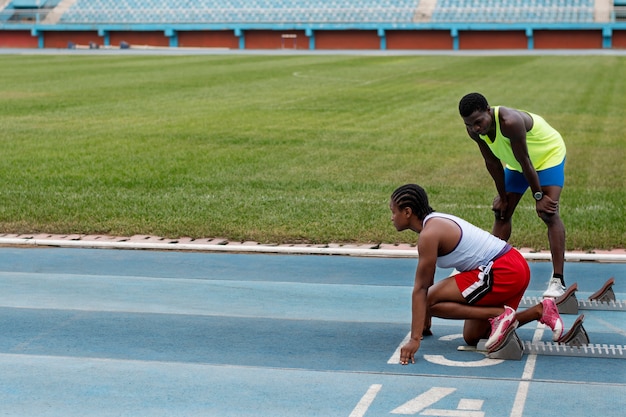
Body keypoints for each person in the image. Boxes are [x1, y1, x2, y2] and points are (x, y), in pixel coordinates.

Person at [389, 183, 563, 365]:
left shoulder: (429, 234)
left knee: (428, 300)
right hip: (514, 267)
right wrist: (424, 322)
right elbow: (427, 279)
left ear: (407, 212)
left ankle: (500, 314)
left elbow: (422, 289)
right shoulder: (434, 223)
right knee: (473, 336)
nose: (392, 218)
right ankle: (540, 311)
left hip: (504, 270)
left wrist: (414, 339)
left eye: (393, 212)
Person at [458, 92, 567, 298]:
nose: (476, 128)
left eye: (479, 122)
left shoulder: (510, 121)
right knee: (502, 211)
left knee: (548, 213)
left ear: (488, 110)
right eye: (470, 124)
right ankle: (486, 267)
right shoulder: (473, 130)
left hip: (547, 157)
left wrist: (538, 197)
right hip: (518, 164)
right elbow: (492, 163)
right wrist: (502, 196)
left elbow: (526, 160)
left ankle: (558, 281)